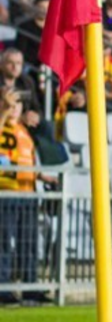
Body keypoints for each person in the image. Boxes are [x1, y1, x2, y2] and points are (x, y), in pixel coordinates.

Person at [0, 90, 51, 304]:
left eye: (17, 105)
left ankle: (30, 286)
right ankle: (3, 287)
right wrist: (4, 111)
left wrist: (42, 175)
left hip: (28, 192)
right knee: (3, 242)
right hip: (6, 191)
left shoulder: (24, 131)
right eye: (10, 104)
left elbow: (25, 160)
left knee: (28, 243)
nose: (13, 109)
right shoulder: (3, 124)